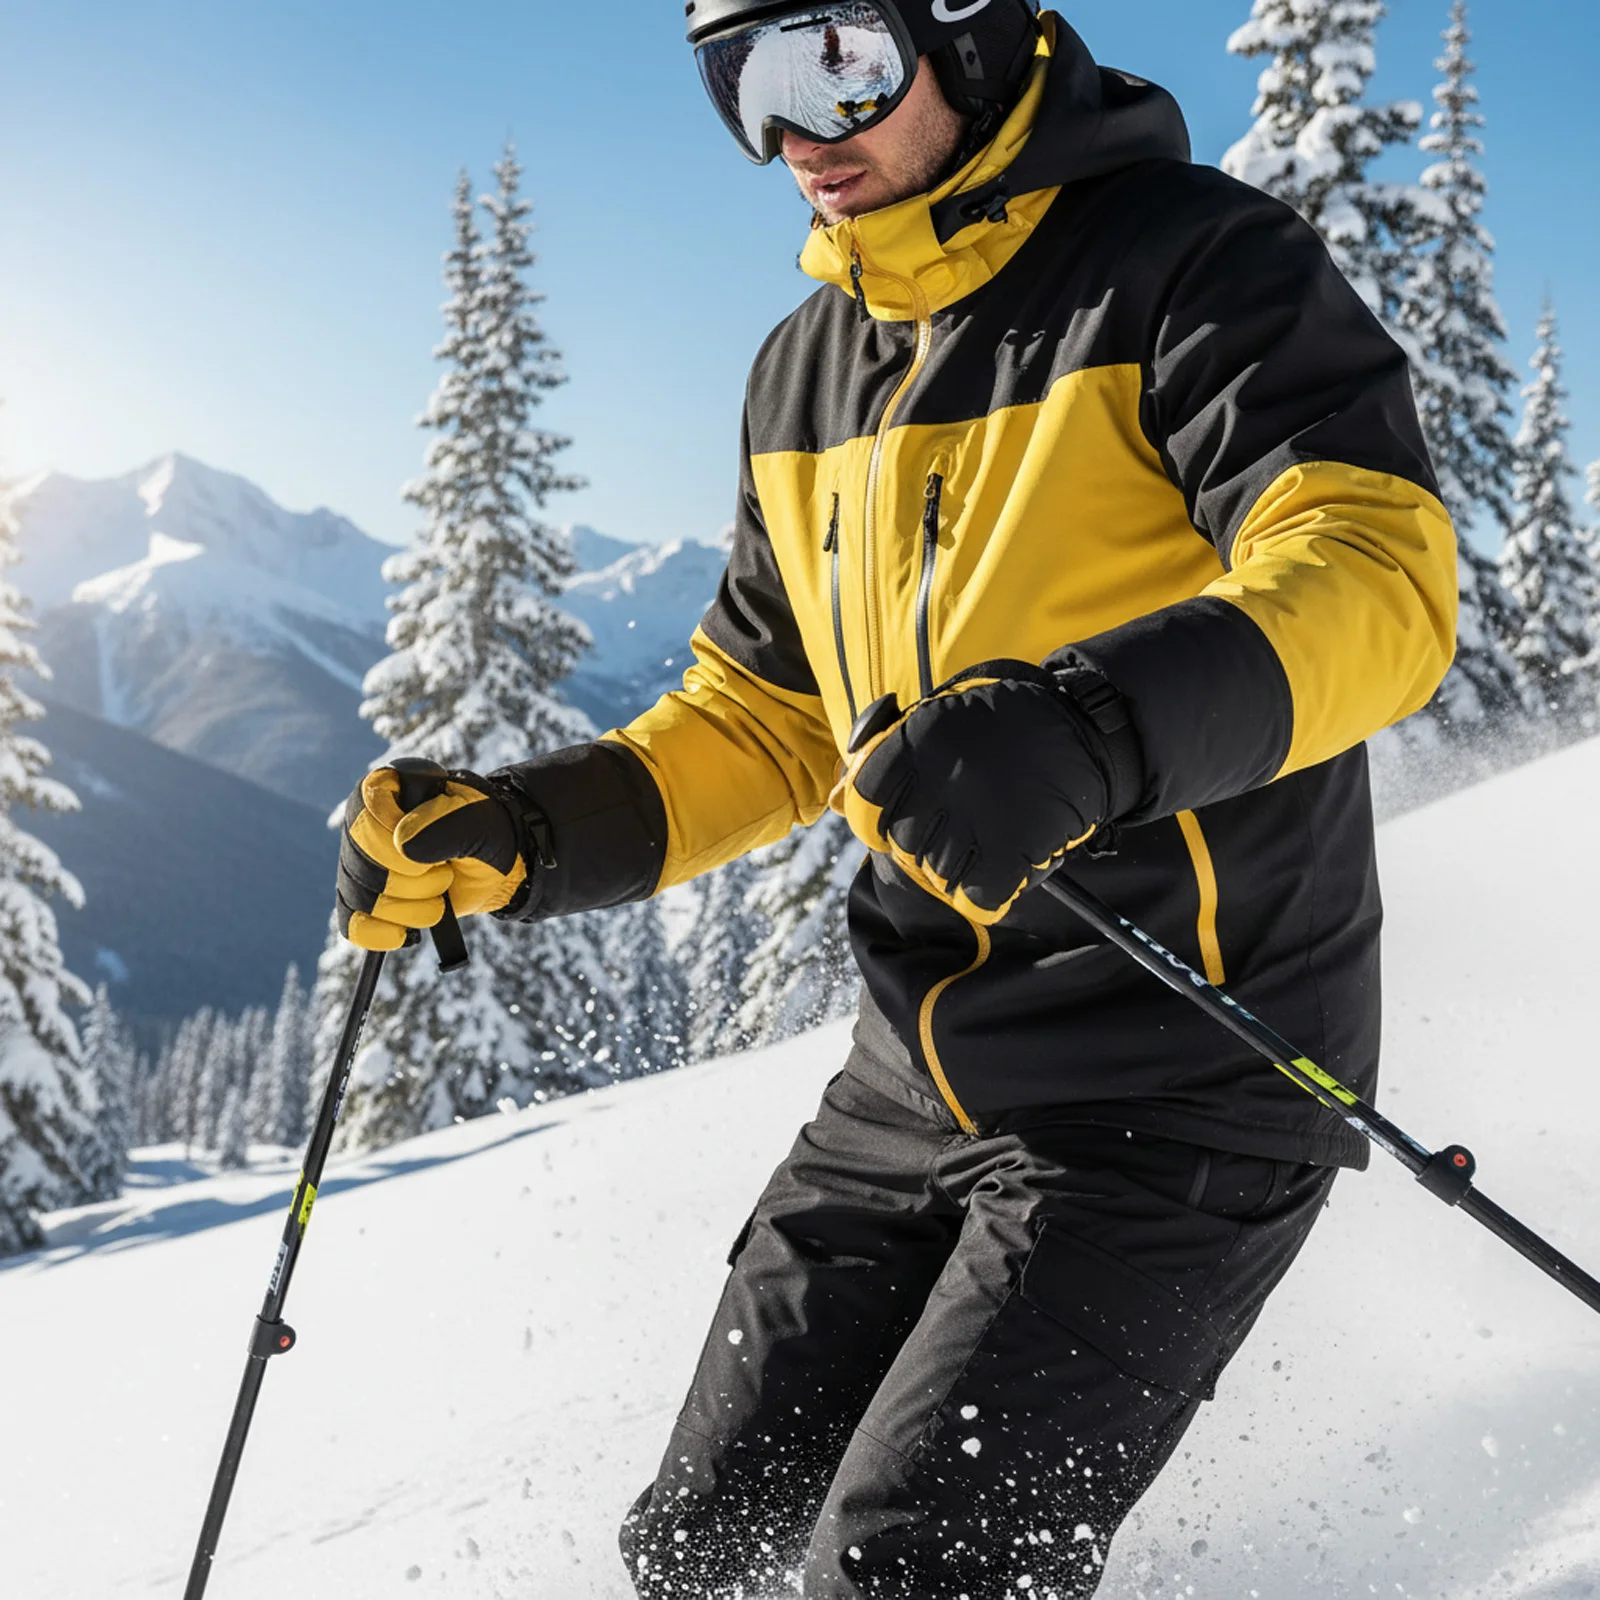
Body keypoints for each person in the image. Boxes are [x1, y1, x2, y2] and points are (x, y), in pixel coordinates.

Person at [334, 2, 1457, 1593]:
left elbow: (1380, 579)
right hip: (908, 1076)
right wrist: (521, 833)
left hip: (1179, 1076)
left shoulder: (1192, 266)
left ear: (974, 32)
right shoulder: (806, 373)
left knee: (906, 1572)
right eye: (744, 88)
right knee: (700, 1555)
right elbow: (766, 712)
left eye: (835, 60)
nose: (796, 136)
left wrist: (1088, 727)